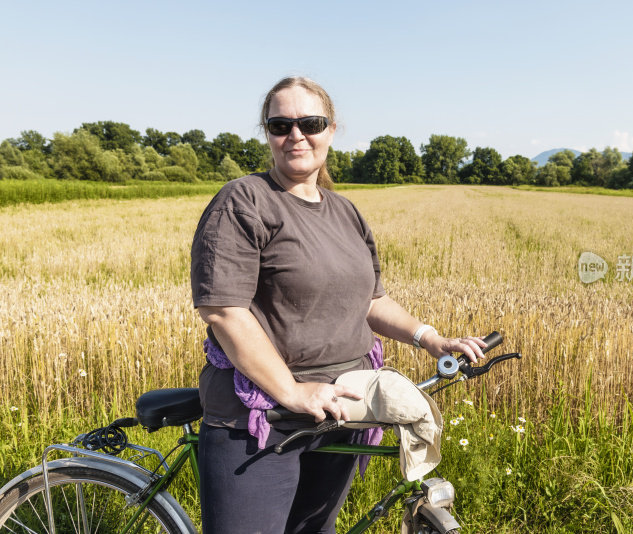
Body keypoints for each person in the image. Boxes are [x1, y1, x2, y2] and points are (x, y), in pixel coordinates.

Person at [190, 76, 487, 534]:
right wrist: (292, 391)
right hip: (263, 420)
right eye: (280, 124)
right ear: (266, 132)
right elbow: (225, 311)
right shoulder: (244, 201)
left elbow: (371, 301)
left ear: (331, 130)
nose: (296, 135)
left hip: (340, 408)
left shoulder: (345, 212)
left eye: (310, 122)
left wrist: (431, 339)